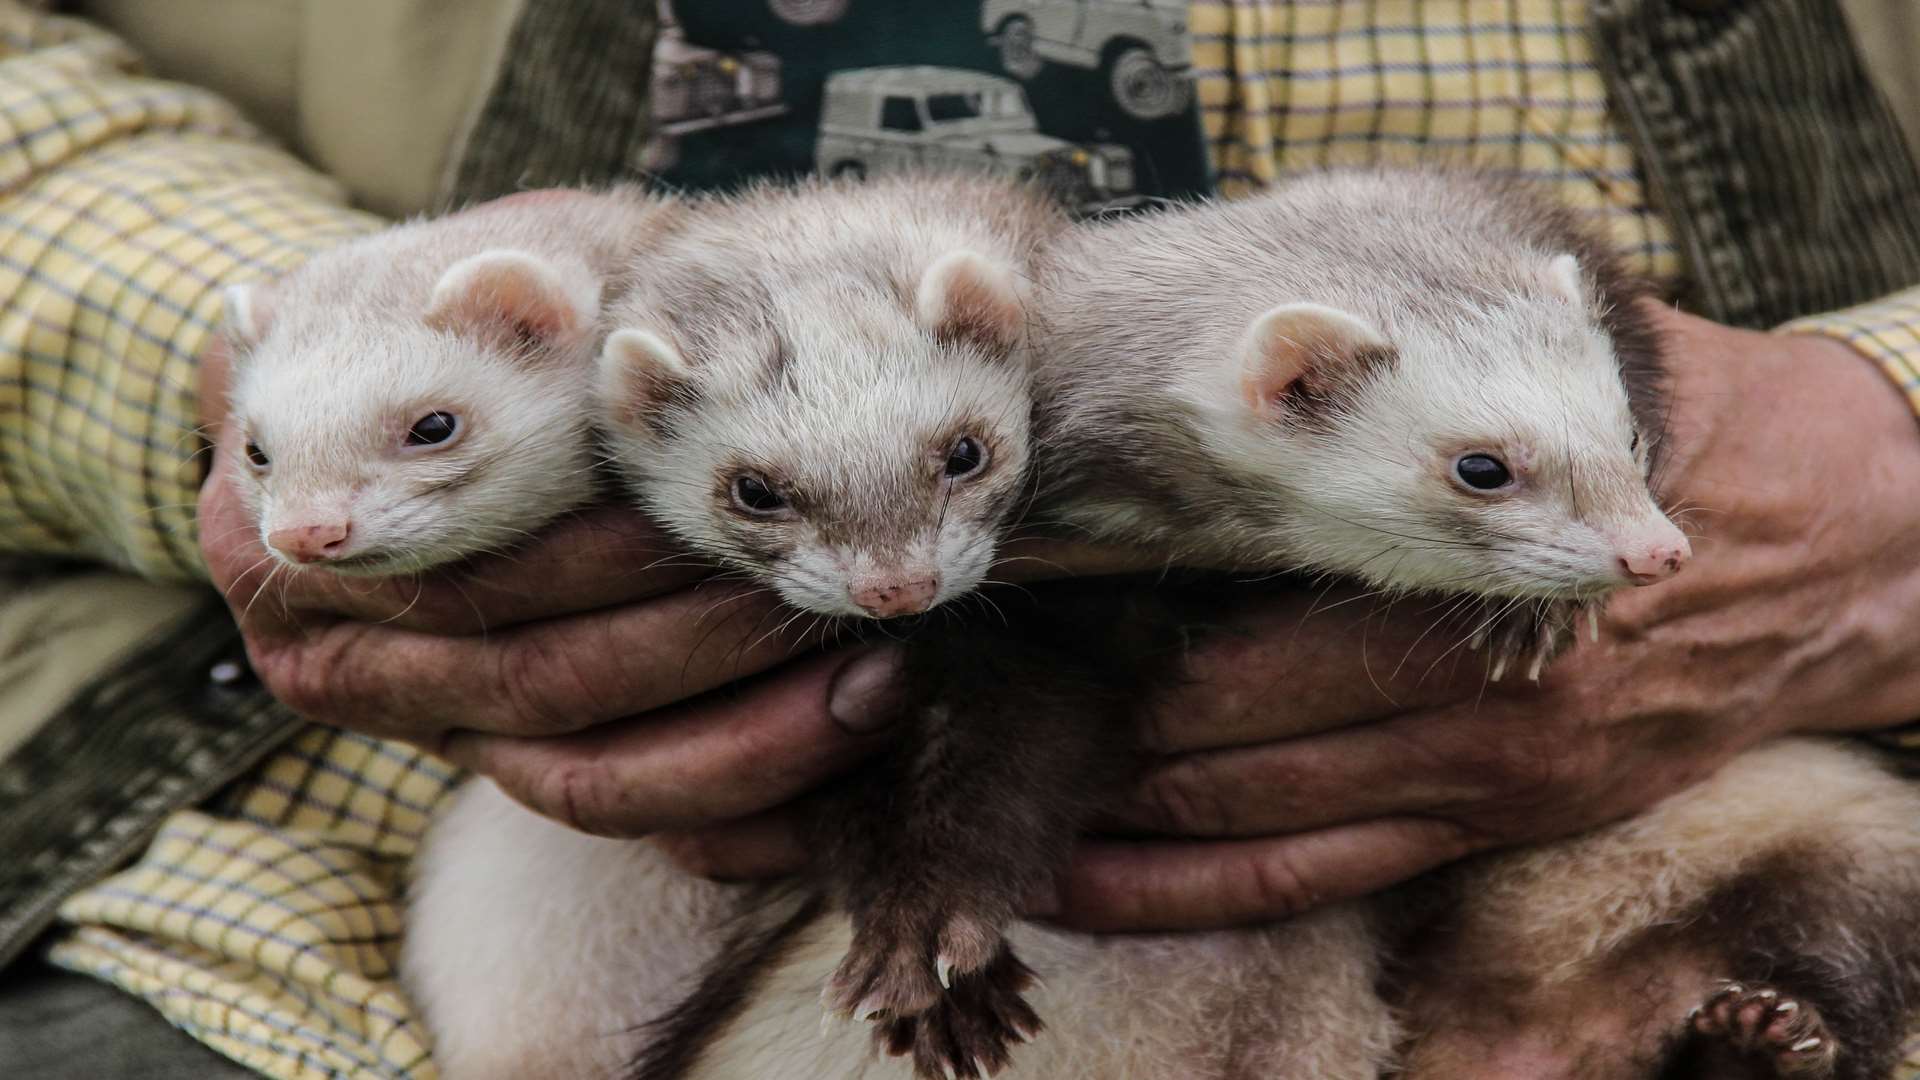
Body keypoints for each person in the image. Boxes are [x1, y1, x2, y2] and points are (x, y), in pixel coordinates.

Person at [1, 1, 1917, 1076]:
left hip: (1754, 730)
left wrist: (1890, 443)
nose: (902, 565)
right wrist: (308, 371)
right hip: (285, 846)